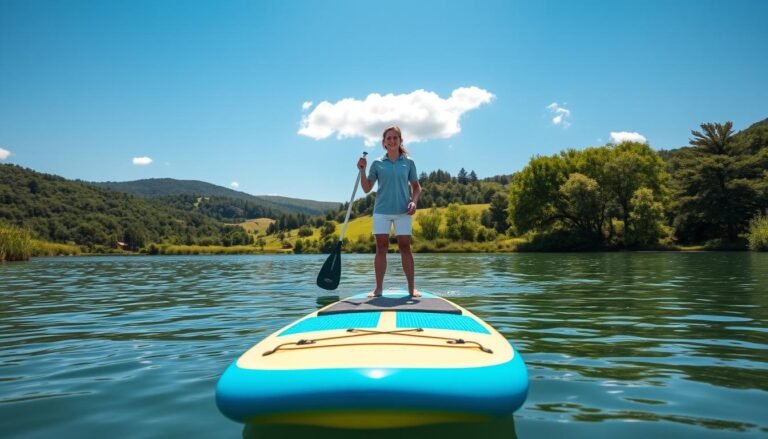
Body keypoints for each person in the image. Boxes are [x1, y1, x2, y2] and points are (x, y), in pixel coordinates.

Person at [357, 126, 422, 297]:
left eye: (395, 138)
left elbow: (416, 187)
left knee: (405, 247)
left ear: (400, 141)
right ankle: (378, 289)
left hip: (403, 211)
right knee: (381, 248)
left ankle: (411, 288)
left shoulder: (408, 162)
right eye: (389, 138)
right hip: (382, 211)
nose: (392, 141)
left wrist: (414, 203)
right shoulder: (377, 164)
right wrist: (362, 170)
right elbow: (366, 188)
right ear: (384, 143)